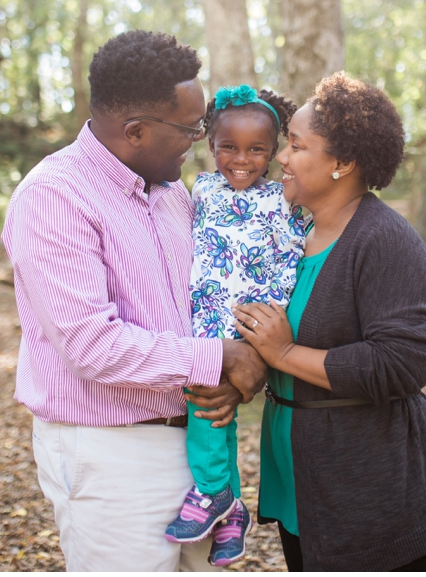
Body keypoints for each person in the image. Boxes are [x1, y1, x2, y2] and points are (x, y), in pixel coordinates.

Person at [1, 31, 267, 572]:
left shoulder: (171, 191)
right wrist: (220, 357)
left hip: (196, 447)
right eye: (190, 128)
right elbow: (92, 345)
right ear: (136, 130)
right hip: (111, 454)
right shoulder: (54, 197)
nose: (200, 139)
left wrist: (234, 371)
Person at [230, 72, 426, 571]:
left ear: (342, 163)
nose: (281, 158)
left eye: (296, 146)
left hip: (372, 494)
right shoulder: (293, 234)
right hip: (304, 483)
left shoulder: (384, 240)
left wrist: (284, 354)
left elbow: (405, 362)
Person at [164, 85, 305, 567]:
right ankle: (230, 508)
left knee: (206, 406)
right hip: (205, 320)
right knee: (216, 415)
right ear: (210, 144)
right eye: (229, 147)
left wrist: (272, 319)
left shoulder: (281, 199)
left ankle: (210, 491)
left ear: (274, 150)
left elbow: (293, 256)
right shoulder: (201, 188)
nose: (241, 159)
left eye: (256, 149)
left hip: (250, 327)